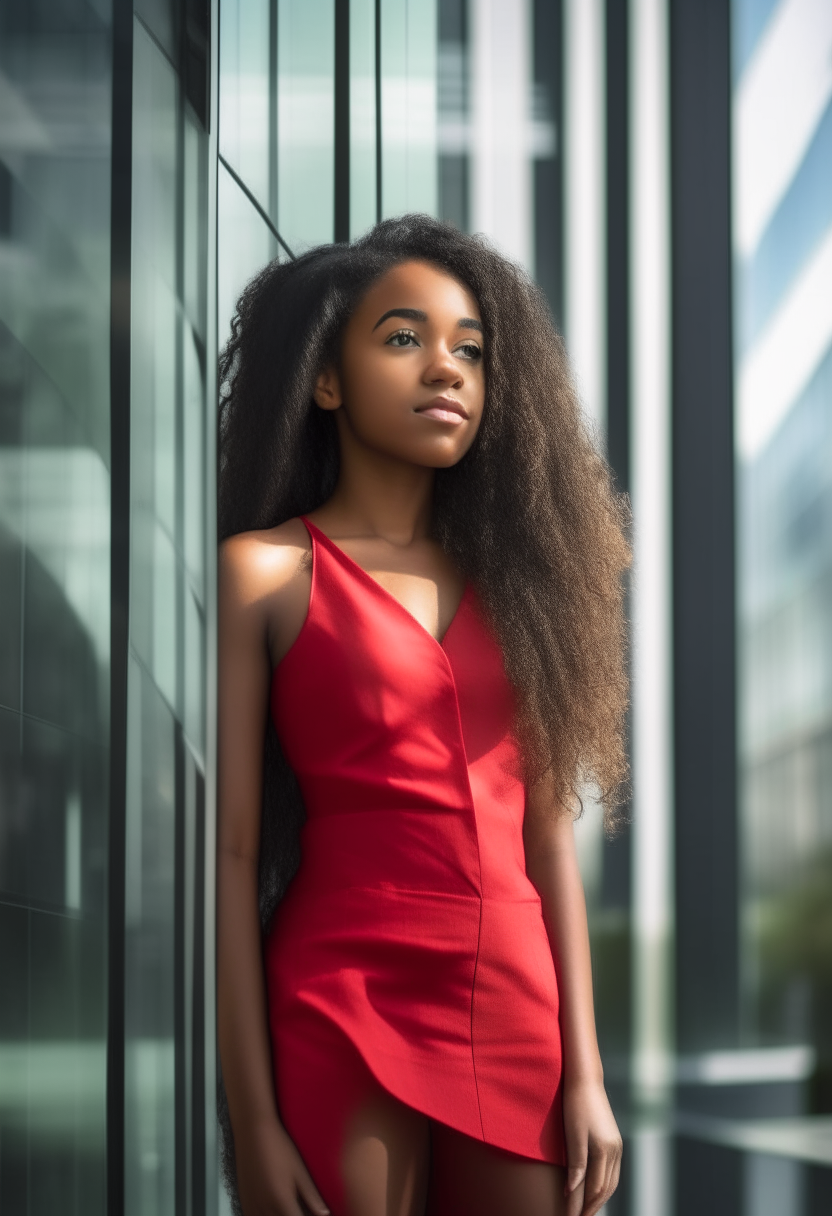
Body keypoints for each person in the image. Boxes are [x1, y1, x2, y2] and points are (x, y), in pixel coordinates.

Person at [217, 215, 629, 1216]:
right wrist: (254, 1119)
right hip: (338, 993)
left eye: (470, 350)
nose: (445, 368)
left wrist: (587, 1074)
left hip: (513, 1000)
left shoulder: (522, 589)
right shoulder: (265, 572)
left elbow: (546, 840)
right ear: (326, 379)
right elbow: (228, 855)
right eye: (403, 338)